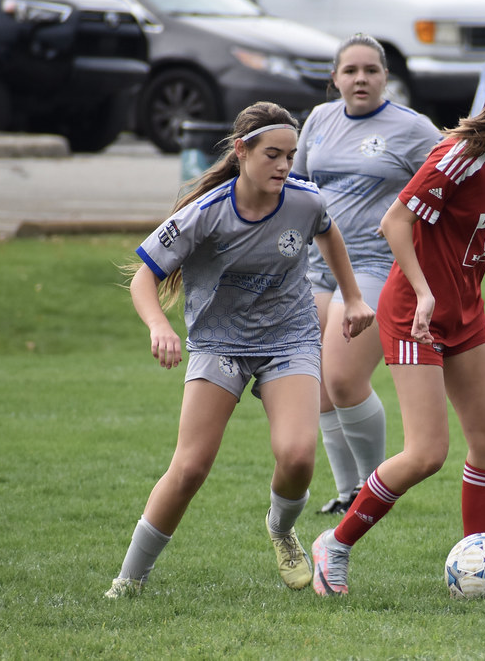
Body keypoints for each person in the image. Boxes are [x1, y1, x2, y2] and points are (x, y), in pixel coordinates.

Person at [310, 54, 485, 596]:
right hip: (416, 314)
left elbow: (466, 221)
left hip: (464, 310)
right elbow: (396, 221)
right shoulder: (460, 155)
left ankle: (481, 565)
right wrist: (426, 292)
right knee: (427, 452)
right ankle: (333, 546)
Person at [104, 101, 375, 599]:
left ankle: (281, 530)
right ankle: (129, 579)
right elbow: (144, 278)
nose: (283, 166)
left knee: (296, 456)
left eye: (290, 156)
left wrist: (353, 296)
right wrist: (157, 325)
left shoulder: (303, 201)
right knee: (189, 468)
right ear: (241, 150)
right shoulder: (204, 214)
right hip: (219, 342)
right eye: (272, 154)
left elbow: (328, 233)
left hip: (288, 338)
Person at [292, 33, 443, 516]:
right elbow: (294, 187)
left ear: (386, 77)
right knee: (317, 384)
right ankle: (346, 493)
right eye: (350, 70)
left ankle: (378, 489)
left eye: (371, 70)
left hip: (378, 266)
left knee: (342, 377)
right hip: (316, 267)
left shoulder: (412, 128)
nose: (361, 79)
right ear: (334, 77)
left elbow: (458, 185)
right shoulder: (318, 119)